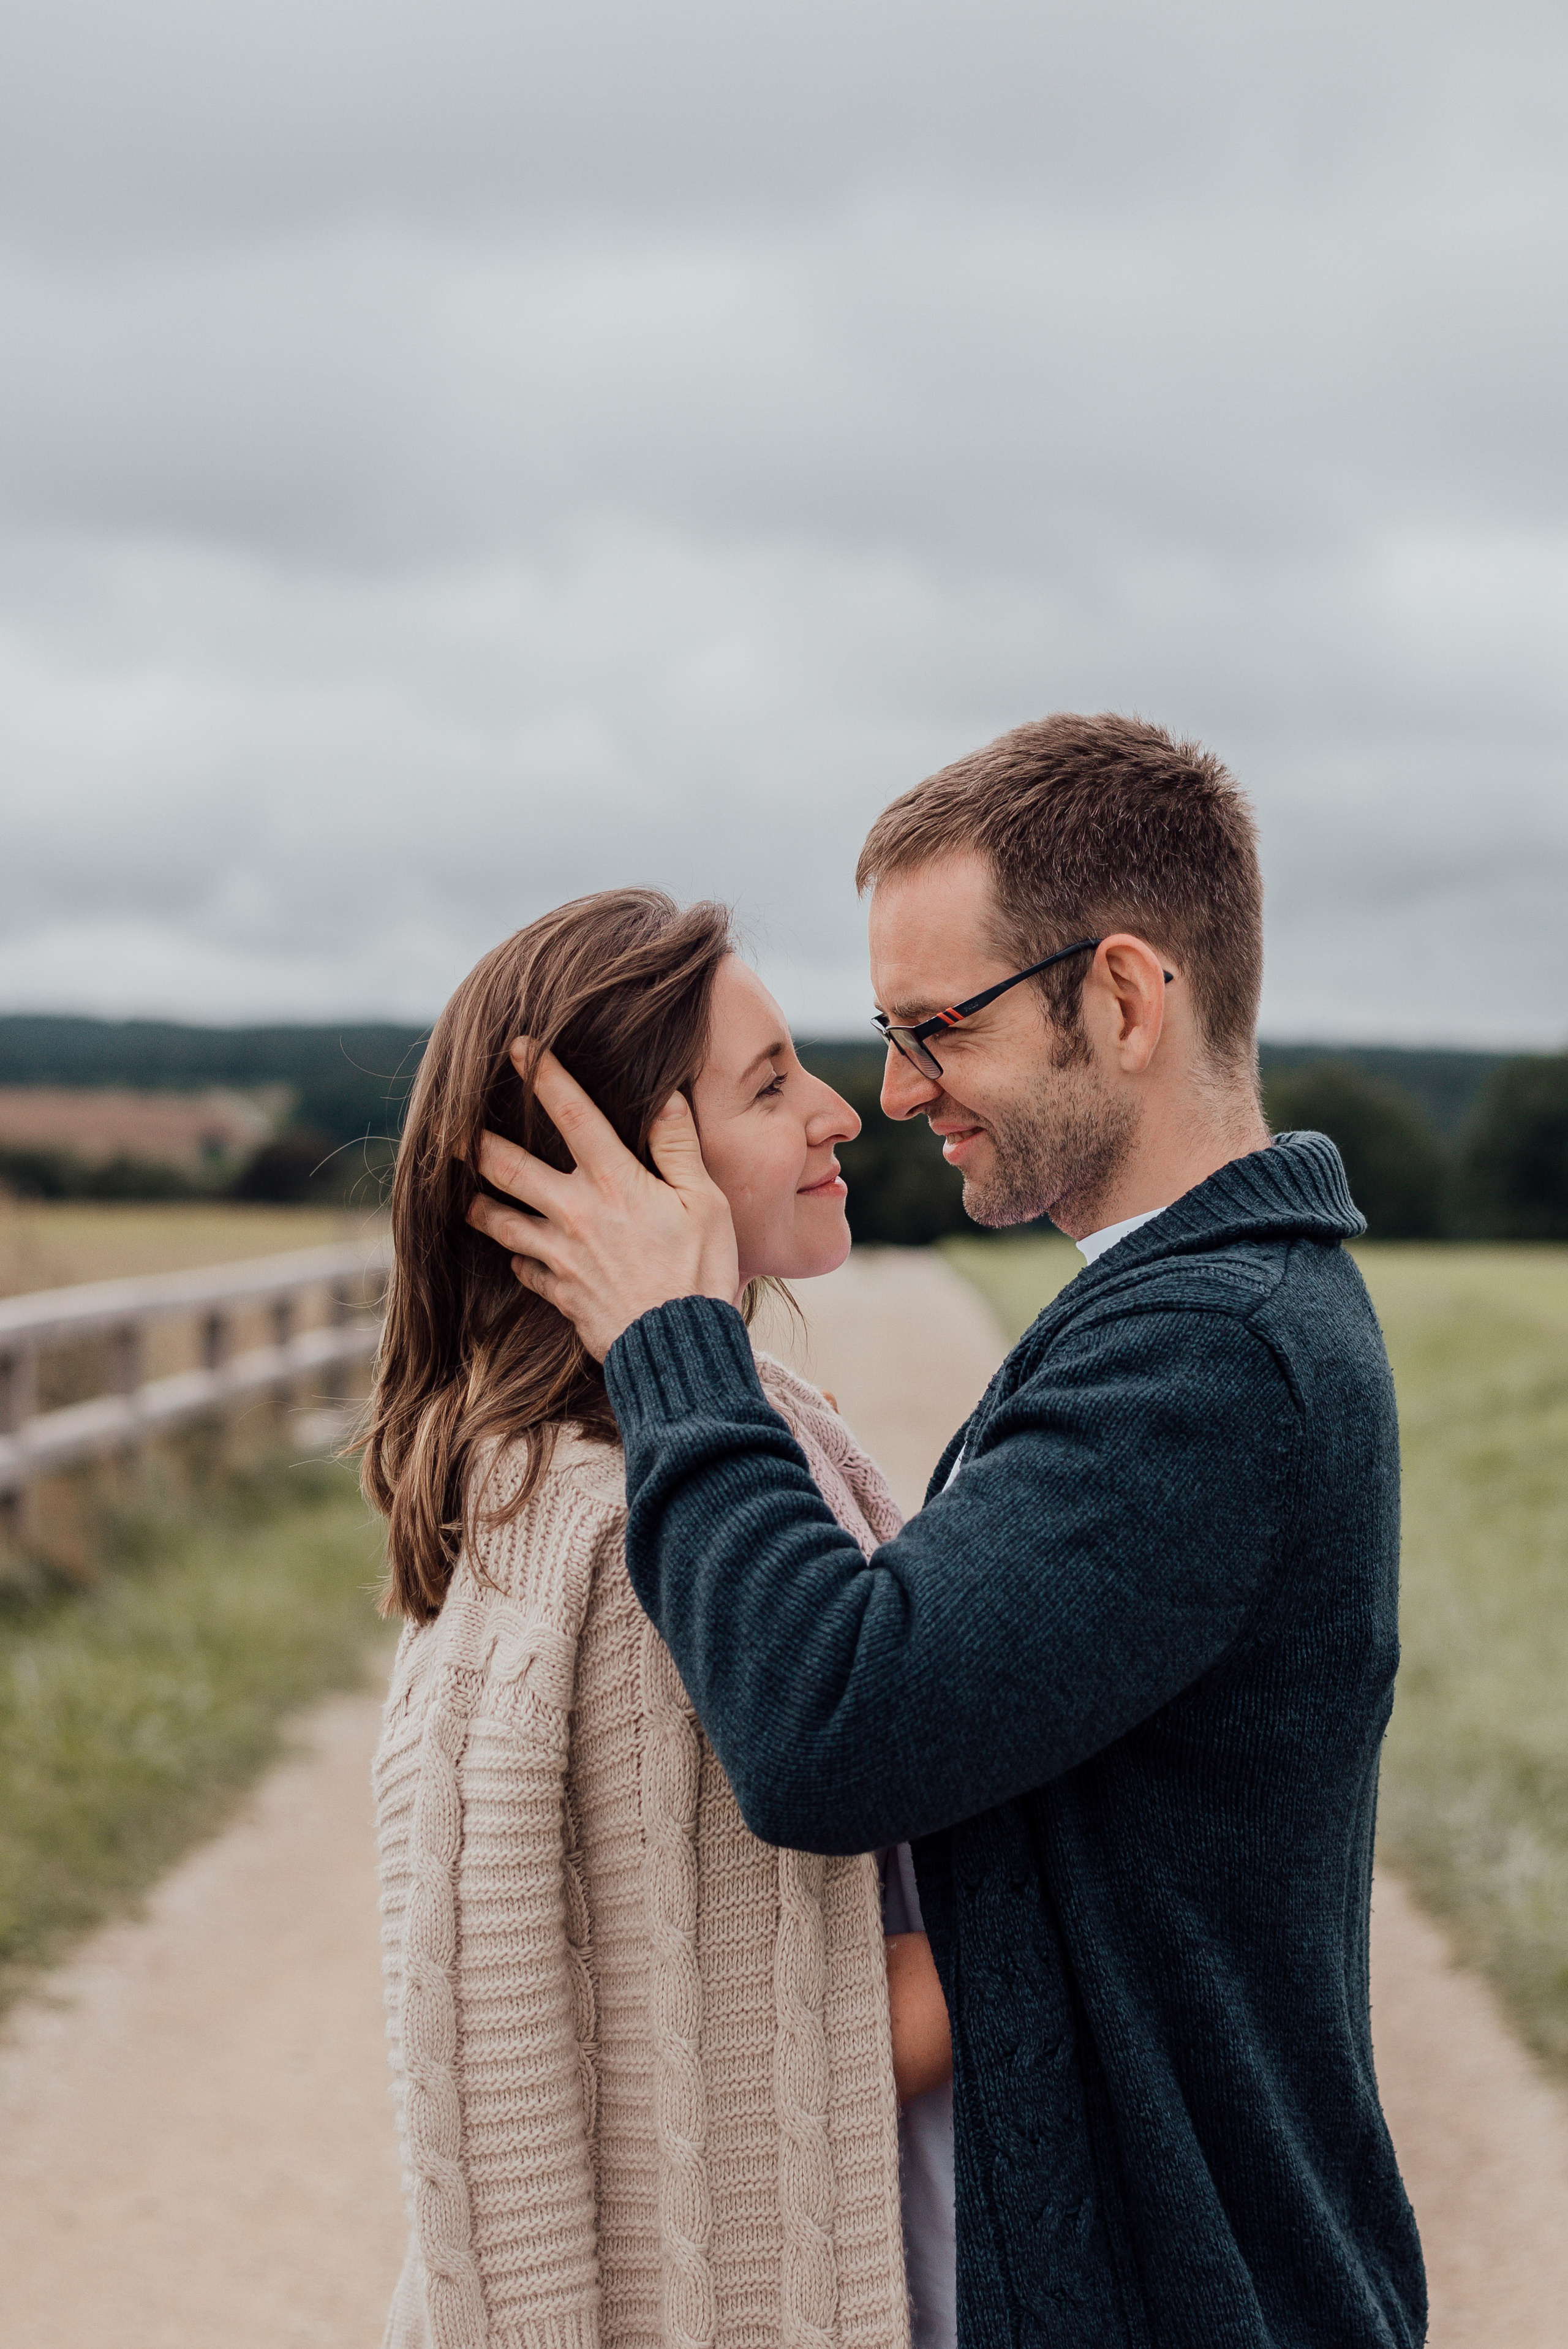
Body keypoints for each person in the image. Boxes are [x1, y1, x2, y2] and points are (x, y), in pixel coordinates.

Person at [467, 716, 1428, 2348]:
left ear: (1123, 998)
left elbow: (833, 1725)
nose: (897, 1090)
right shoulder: (1180, 1310)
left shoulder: (1213, 1354)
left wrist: (675, 1349)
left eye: (936, 1028)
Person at [360, 887, 956, 2349]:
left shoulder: (750, 1437)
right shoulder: (631, 1544)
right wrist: (1116, 1901)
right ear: (626, 1171)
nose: (839, 1112)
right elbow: (739, 2059)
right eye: (766, 1086)